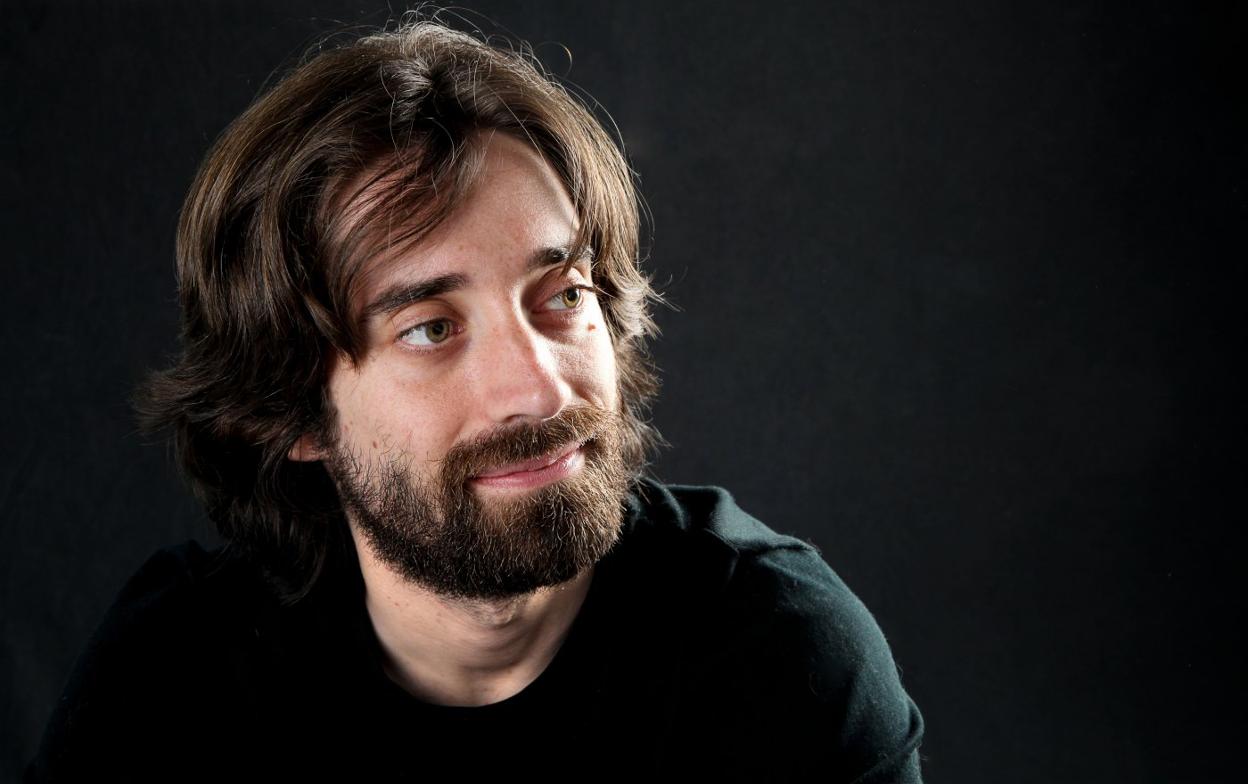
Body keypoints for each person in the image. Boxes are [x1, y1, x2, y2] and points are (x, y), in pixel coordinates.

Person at [27, 18, 924, 782]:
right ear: (292, 412)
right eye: (431, 328)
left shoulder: (780, 658)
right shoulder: (174, 681)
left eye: (563, 295)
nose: (539, 388)